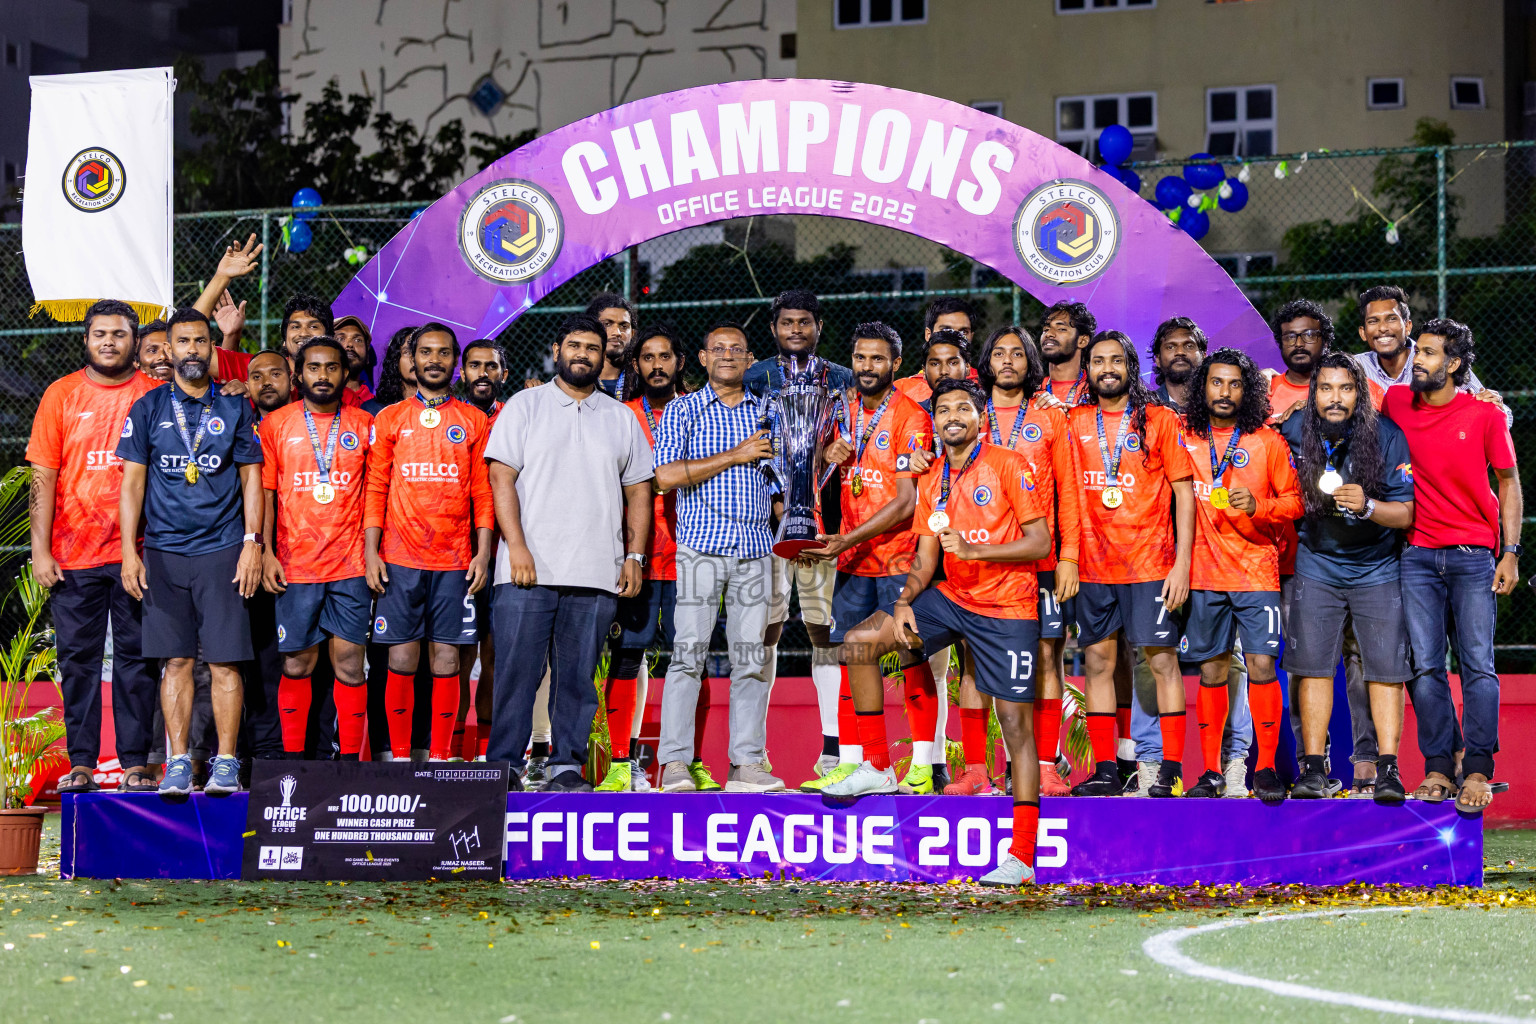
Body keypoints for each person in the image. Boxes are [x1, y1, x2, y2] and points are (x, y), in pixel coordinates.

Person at [827, 378, 1052, 887]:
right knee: (861, 643)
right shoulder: (931, 479)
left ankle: (1021, 856)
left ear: (980, 418)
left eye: (963, 408)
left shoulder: (1010, 465)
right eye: (944, 409)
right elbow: (927, 558)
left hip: (1008, 608)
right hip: (951, 601)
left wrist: (976, 553)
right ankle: (880, 768)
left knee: (1016, 728)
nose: (952, 416)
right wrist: (904, 601)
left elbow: (1040, 542)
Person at [486, 314, 653, 790]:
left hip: (596, 571)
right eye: (574, 345)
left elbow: (639, 491)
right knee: (517, 675)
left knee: (578, 680)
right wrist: (515, 546)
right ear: (557, 349)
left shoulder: (621, 417)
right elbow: (501, 478)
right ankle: (505, 769)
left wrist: (634, 557)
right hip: (526, 570)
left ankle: (566, 767)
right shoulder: (525, 405)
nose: (583, 354)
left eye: (592, 348)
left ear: (604, 357)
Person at [116, 307, 264, 800]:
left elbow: (252, 481)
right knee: (174, 663)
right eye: (183, 342)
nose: (193, 350)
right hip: (162, 552)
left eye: (201, 341)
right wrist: (129, 553)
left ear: (210, 347)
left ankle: (225, 762)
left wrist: (252, 544)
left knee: (226, 663)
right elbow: (132, 485)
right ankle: (178, 761)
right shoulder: (148, 408)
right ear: (170, 349)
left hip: (223, 550)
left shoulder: (235, 406)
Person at [1383, 319, 1521, 812]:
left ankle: (1479, 768)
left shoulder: (1483, 415)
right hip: (1416, 556)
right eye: (1417, 350)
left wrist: (1510, 552)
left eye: (1430, 353)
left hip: (1473, 558)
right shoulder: (1395, 404)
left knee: (1478, 666)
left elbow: (1508, 481)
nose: (1417, 359)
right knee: (1425, 668)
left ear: (1455, 365)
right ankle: (1440, 766)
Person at [27, 299, 163, 794]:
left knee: (136, 661)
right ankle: (82, 762)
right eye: (100, 333)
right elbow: (43, 476)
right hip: (73, 555)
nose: (109, 341)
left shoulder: (155, 395)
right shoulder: (60, 395)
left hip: (138, 557)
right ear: (86, 340)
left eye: (120, 334)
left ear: (134, 342)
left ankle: (133, 764)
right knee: (77, 664)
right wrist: (41, 550)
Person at [797, 322, 933, 794]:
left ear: (896, 364)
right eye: (860, 358)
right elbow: (810, 468)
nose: (867, 367)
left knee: (912, 656)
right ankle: (860, 762)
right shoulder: (840, 408)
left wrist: (845, 538)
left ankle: (923, 764)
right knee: (853, 654)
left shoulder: (911, 416)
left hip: (898, 557)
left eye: (878, 359)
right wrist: (824, 451)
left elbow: (905, 502)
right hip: (856, 560)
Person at [1276, 352, 1415, 805]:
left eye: (1345, 389)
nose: (1335, 399)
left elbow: (1407, 512)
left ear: (1360, 393)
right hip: (1317, 562)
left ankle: (1389, 769)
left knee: (1384, 669)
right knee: (1313, 666)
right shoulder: (1293, 430)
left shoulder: (1387, 436)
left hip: (1377, 566)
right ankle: (1314, 770)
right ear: (1313, 393)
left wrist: (1370, 506)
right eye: (1326, 389)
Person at [653, 320, 782, 793]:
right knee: (688, 658)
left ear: (750, 361)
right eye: (718, 349)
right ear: (703, 359)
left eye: (738, 349)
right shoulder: (684, 410)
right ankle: (675, 764)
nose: (728, 355)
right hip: (701, 550)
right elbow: (664, 476)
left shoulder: (768, 410)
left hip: (754, 552)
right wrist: (737, 453)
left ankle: (746, 764)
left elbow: (779, 484)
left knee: (751, 660)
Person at [1067, 331, 1193, 797]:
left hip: (1150, 565)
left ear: (1131, 366)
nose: (1106, 368)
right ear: (1090, 368)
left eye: (1116, 360)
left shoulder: (1158, 419)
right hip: (1094, 567)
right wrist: (1070, 559)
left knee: (1161, 663)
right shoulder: (1074, 422)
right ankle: (1106, 770)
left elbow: (1184, 494)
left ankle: (1171, 769)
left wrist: (1181, 565)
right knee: (1098, 662)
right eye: (1098, 360)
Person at [365, 323, 494, 762]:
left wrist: (482, 552)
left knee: (446, 662)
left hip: (456, 561)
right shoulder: (389, 418)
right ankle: (400, 758)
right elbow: (376, 489)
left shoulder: (474, 420)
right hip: (399, 559)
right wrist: (371, 552)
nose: (434, 360)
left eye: (443, 353)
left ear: (453, 362)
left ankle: (440, 758)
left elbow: (483, 491)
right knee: (401, 660)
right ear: (413, 359)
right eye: (426, 352)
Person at [1177, 350, 1301, 802]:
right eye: (1216, 383)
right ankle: (1210, 771)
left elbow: (1295, 502)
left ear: (1246, 391)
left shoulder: (1266, 442)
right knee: (1211, 671)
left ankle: (1264, 768)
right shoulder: (1183, 436)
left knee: (1263, 666)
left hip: (1255, 572)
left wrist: (1259, 506)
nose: (1224, 392)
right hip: (1203, 574)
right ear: (1202, 387)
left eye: (1234, 384)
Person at [744, 289, 853, 780]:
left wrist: (835, 457)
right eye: (787, 322)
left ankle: (831, 749)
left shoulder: (844, 380)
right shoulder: (753, 378)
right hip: (762, 527)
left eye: (804, 322)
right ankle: (754, 754)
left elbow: (854, 441)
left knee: (822, 631)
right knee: (761, 632)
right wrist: (779, 501)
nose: (795, 330)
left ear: (819, 325)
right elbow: (746, 444)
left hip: (823, 526)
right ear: (774, 328)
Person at [1144, 317, 1252, 798]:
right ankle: (1153, 766)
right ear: (1157, 357)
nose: (1181, 352)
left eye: (1191, 344)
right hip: (1154, 555)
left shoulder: (1227, 411)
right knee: (1150, 659)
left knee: (1229, 664)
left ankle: (1233, 764)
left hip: (1221, 557)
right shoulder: (1143, 411)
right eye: (1171, 346)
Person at [974, 325, 1080, 798]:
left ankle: (1046, 764)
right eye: (1000, 353)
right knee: (978, 662)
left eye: (1019, 353)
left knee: (1045, 658)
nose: (1009, 360)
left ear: (1031, 362)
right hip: (981, 559)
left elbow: (1070, 492)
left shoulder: (1049, 418)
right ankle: (978, 769)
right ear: (987, 362)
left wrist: (1070, 557)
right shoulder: (969, 415)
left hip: (1040, 561)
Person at [259, 337, 374, 760]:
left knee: (348, 663)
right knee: (296, 664)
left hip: (351, 564)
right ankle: (293, 763)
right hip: (294, 564)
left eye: (331, 368)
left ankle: (349, 764)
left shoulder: (364, 424)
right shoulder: (277, 424)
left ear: (345, 374)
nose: (322, 376)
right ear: (298, 374)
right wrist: (266, 551)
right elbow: (267, 493)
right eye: (313, 368)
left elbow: (376, 493)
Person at [600, 324, 690, 791]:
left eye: (665, 356)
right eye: (648, 358)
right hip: (634, 556)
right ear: (636, 365)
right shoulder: (620, 414)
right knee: (627, 656)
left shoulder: (696, 411)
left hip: (689, 555)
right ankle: (622, 762)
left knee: (688, 659)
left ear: (679, 362)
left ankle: (684, 762)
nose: (657, 365)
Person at [456, 338, 507, 760]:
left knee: (493, 653)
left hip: (504, 550)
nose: (482, 373)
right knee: (456, 654)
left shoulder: (516, 417)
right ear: (463, 373)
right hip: (456, 549)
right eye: (474, 366)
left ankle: (488, 754)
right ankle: (454, 747)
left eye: (491, 366)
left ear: (502, 374)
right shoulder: (451, 419)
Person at [894, 296, 980, 404]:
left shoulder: (987, 386)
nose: (956, 337)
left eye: (963, 332)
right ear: (928, 335)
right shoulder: (902, 390)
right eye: (946, 330)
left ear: (971, 336)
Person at [1038, 301, 1096, 407]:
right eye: (1046, 329)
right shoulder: (1032, 390)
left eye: (1061, 329)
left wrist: (1073, 411)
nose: (1049, 334)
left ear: (1082, 341)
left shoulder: (1096, 389)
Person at [586, 292, 636, 398]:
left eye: (624, 326)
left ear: (632, 334)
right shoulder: (576, 380)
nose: (617, 332)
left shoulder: (643, 380)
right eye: (607, 324)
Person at [362, 326, 417, 414]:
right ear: (395, 360)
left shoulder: (443, 408)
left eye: (422, 352)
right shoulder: (373, 409)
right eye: (407, 352)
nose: (414, 359)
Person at [333, 315, 376, 407]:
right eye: (340, 339)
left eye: (358, 340)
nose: (349, 344)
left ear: (367, 357)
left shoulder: (378, 410)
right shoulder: (311, 398)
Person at [280, 295, 335, 364]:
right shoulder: (267, 373)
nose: (303, 334)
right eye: (296, 327)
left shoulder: (341, 373)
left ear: (329, 336)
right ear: (285, 338)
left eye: (313, 327)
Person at [248, 351, 292, 416]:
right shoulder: (240, 425)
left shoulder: (310, 422)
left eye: (275, 374)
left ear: (291, 381)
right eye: (257, 377)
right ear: (247, 386)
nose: (266, 382)